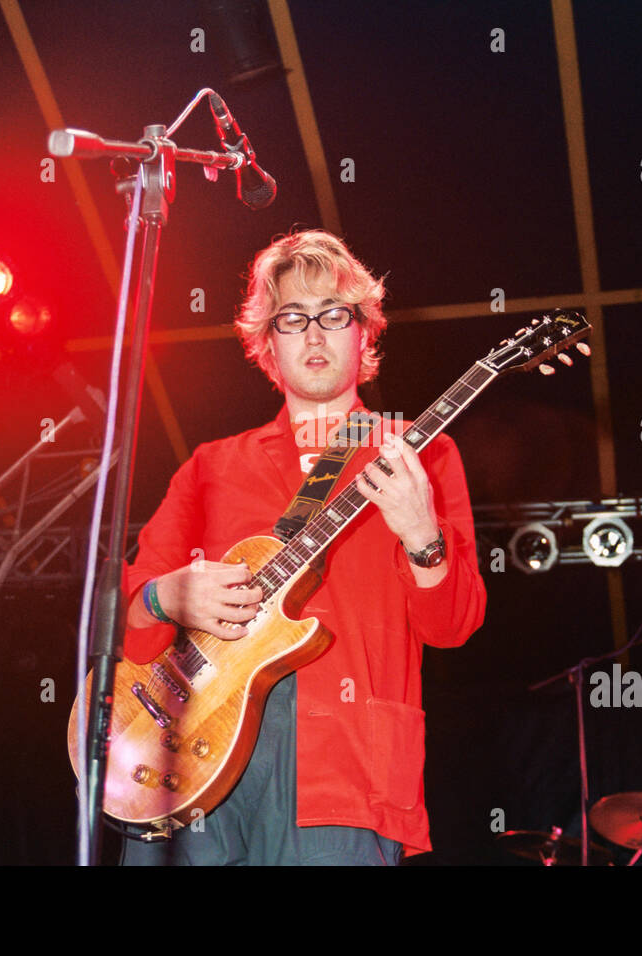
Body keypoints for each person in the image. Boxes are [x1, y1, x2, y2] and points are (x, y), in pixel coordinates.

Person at [118, 229, 487, 865]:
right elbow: (128, 616)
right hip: (191, 749)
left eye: (334, 315)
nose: (314, 335)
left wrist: (424, 535)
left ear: (365, 332)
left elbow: (453, 626)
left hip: (344, 766)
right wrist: (165, 594)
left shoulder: (421, 454)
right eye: (292, 318)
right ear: (266, 341)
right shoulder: (210, 466)